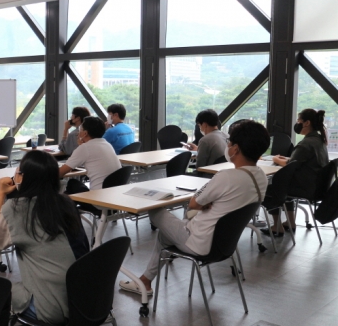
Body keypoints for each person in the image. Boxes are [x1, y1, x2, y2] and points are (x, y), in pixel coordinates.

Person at [119, 120, 270, 295]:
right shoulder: (261, 177)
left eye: (229, 143)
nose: (227, 146)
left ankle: (144, 283)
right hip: (223, 246)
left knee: (154, 209)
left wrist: (206, 202)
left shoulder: (227, 177)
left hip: (199, 242)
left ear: (235, 148)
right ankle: (145, 282)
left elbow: (194, 203)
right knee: (165, 235)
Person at [0, 150, 89, 325]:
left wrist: (1, 194)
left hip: (53, 308)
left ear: (23, 177)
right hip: (86, 302)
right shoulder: (66, 203)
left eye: (18, 172)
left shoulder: (17, 208)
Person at [264, 109, 329, 236]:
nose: (297, 124)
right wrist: (288, 159)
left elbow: (291, 165)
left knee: (269, 190)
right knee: (285, 185)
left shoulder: (306, 143)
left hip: (305, 187)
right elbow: (300, 161)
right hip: (317, 187)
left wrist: (276, 159)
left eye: (299, 121)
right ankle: (290, 223)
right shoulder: (319, 141)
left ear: (307, 123)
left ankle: (277, 226)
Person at [60, 116, 122, 194]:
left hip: (97, 200)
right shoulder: (107, 144)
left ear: (85, 133)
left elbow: (61, 173)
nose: (78, 133)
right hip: (113, 196)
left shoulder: (85, 148)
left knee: (72, 183)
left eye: (80, 130)